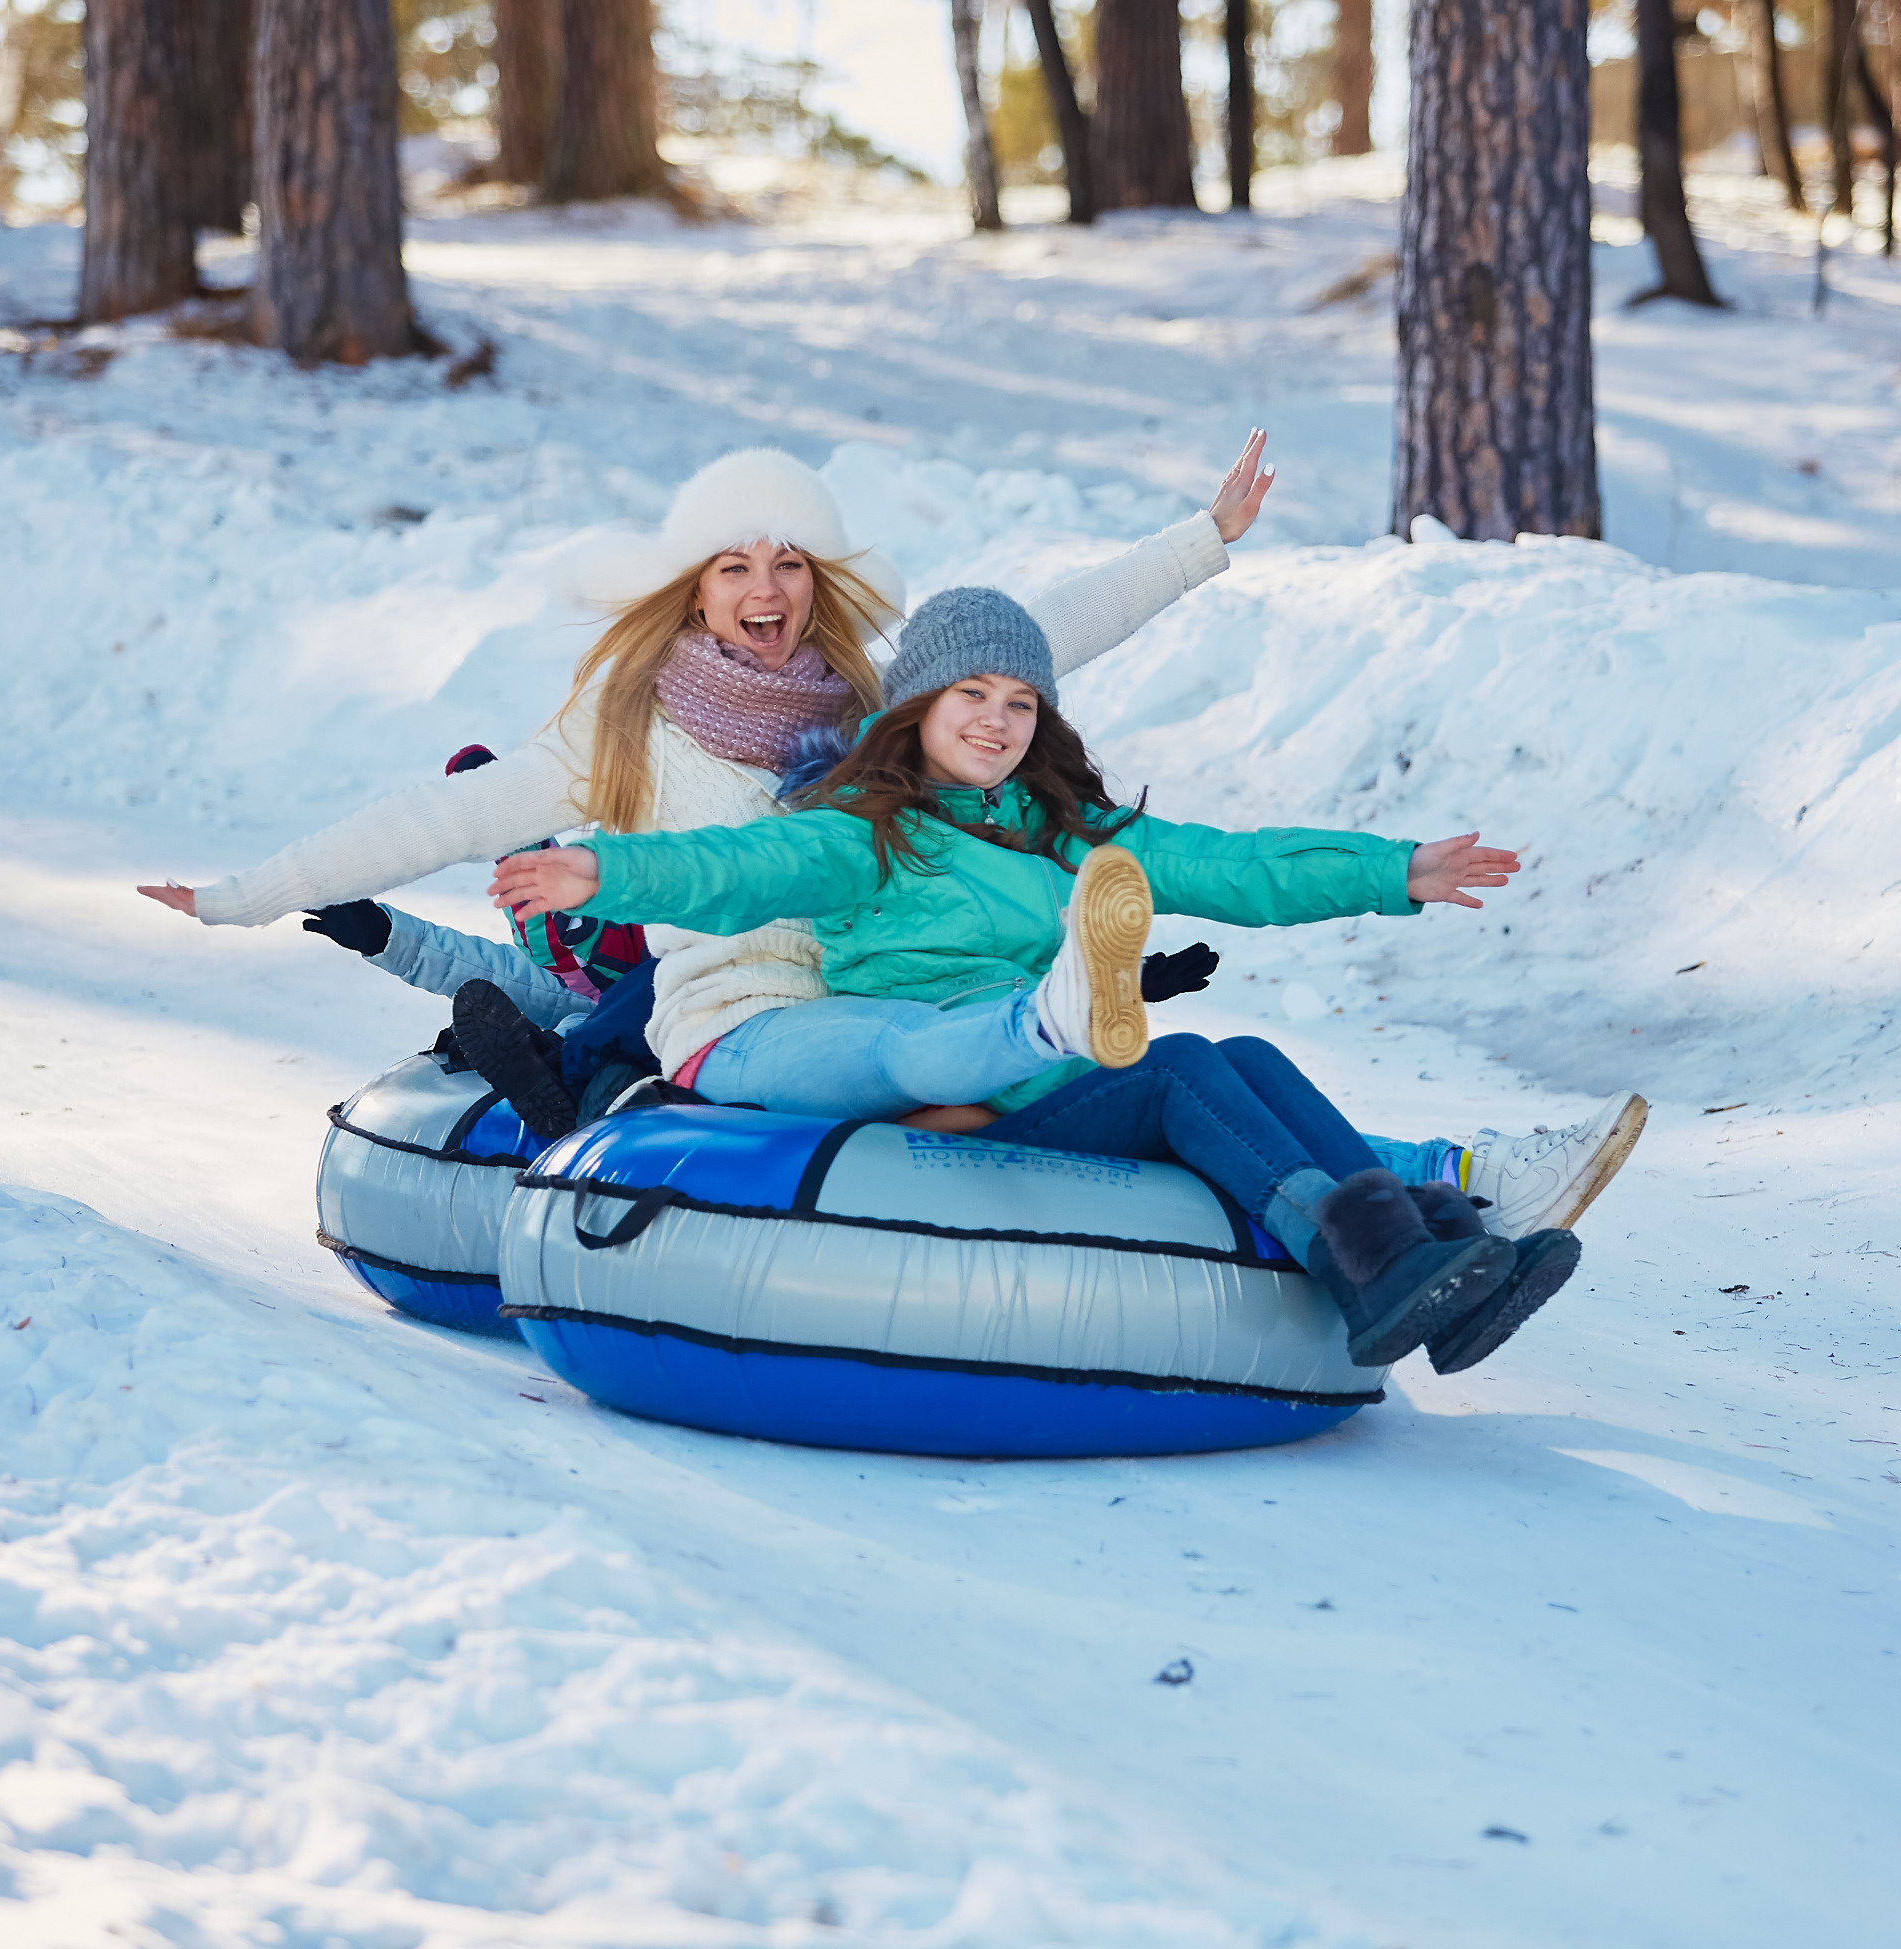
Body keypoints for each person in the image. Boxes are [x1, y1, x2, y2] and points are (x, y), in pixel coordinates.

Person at [487, 589, 1592, 1374]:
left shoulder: (1067, 828)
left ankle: (1438, 1259)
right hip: (962, 1080)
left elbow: (1232, 861)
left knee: (1244, 1055)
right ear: (917, 704)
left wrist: (1396, 870)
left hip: (1050, 1078)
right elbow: (735, 867)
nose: (996, 721)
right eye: (970, 692)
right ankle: (1363, 1258)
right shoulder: (865, 829)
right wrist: (605, 869)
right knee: (1184, 1074)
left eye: (1020, 701)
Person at [137, 436, 1276, 1124]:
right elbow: (439, 816)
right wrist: (246, 891)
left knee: (1026, 1061)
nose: (765, 586)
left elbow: (1042, 636)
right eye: (736, 564)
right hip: (725, 1010)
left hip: (868, 986)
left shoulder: (863, 708)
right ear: (694, 587)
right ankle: (584, 1091)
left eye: (788, 562)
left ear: (817, 580)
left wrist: (1200, 540)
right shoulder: (623, 728)